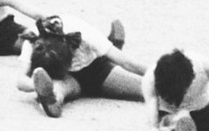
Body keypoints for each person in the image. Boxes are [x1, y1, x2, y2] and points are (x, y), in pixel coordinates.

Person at [16, 14, 145, 118]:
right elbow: (20, 80)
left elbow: (129, 63)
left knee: (144, 88)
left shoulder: (85, 33)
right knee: (57, 88)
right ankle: (53, 100)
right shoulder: (32, 41)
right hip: (66, 80)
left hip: (95, 69)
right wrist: (38, 86)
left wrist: (160, 73)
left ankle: (112, 46)